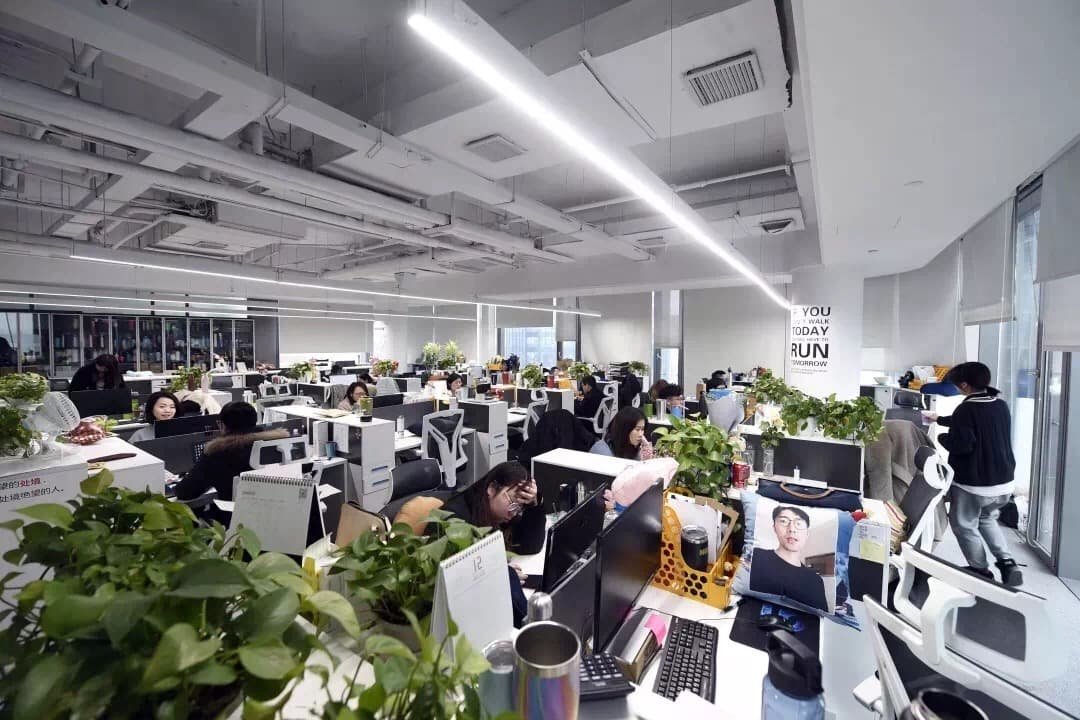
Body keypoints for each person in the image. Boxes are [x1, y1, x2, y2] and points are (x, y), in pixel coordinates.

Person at [395, 461, 545, 626]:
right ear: (491, 488)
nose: (514, 512)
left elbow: (530, 546)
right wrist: (498, 572)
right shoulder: (454, 519)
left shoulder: (497, 513)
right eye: (513, 503)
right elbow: (451, 577)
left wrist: (535, 504)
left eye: (520, 507)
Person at [927, 362, 1022, 586]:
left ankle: (980, 569)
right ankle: (1007, 562)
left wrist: (941, 438)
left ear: (964, 385)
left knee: (964, 524)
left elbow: (962, 445)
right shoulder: (999, 404)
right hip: (1003, 482)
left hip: (975, 484)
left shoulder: (966, 409)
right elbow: (973, 423)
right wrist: (939, 419)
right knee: (987, 518)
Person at [175, 401, 288, 503]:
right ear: (256, 421)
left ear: (221, 425)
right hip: (280, 510)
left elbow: (185, 492)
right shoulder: (280, 444)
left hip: (236, 516)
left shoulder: (218, 452)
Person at [749, 505, 829, 612]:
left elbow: (820, 616)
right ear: (774, 528)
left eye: (798, 523)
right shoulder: (755, 556)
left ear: (807, 533)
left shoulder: (815, 581)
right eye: (783, 521)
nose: (791, 529)